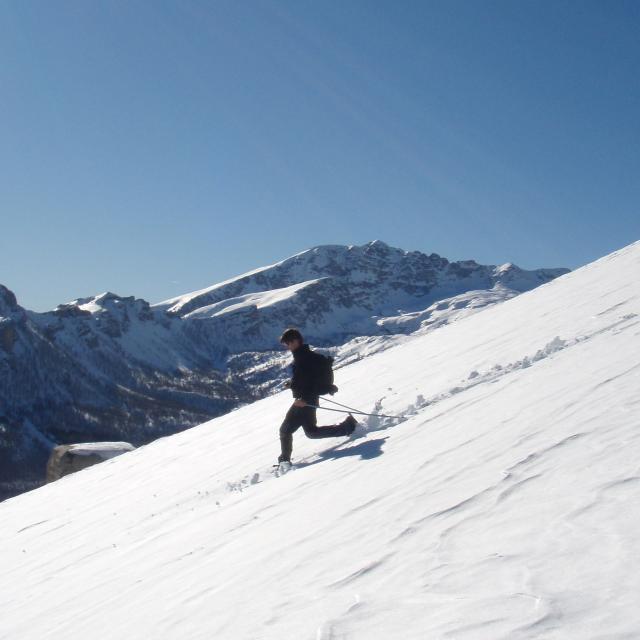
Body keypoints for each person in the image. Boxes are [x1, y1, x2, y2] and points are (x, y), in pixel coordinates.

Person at [278, 328, 357, 465]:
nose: (288, 347)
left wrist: (301, 399)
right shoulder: (304, 356)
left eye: (288, 343)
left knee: (285, 430)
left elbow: (309, 381)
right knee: (311, 432)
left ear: (296, 341)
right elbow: (304, 380)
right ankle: (348, 427)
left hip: (304, 400)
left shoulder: (303, 359)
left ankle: (284, 461)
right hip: (308, 399)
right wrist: (291, 384)